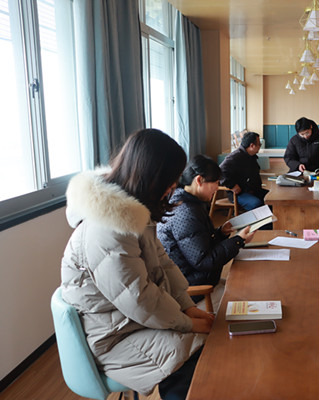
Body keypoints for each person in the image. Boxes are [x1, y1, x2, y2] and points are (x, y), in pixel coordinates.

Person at [60, 129, 214, 400]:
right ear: (152, 177)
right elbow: (140, 300)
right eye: (171, 180)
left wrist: (187, 307)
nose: (174, 187)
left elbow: (163, 265)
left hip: (130, 322)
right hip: (113, 339)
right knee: (194, 356)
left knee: (206, 342)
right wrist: (186, 323)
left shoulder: (131, 212)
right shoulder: (107, 230)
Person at [158, 155, 255, 293]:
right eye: (215, 182)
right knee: (247, 291)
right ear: (199, 180)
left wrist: (221, 232)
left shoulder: (188, 202)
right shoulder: (186, 212)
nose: (217, 188)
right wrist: (239, 240)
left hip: (200, 279)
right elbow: (205, 261)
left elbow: (199, 245)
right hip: (195, 290)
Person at [219, 131, 268, 211]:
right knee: (257, 204)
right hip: (239, 193)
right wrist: (232, 185)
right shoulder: (235, 156)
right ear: (252, 145)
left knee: (272, 199)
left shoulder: (251, 156)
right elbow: (220, 171)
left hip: (252, 190)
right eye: (259, 144)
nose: (260, 146)